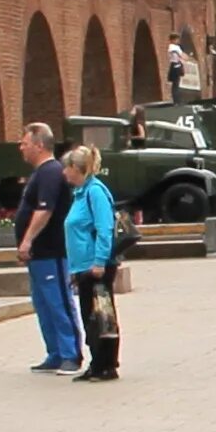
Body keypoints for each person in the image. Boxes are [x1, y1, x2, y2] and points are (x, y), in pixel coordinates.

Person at [16, 123, 81, 375]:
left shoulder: (51, 173)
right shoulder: (39, 173)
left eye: (25, 143)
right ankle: (54, 352)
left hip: (52, 250)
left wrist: (27, 239)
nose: (21, 147)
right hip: (39, 255)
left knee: (58, 301)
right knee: (43, 303)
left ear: (39, 144)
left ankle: (71, 353)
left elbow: (45, 209)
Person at [61, 145, 122, 382]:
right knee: (90, 317)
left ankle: (107, 364)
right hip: (82, 267)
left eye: (66, 168)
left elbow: (104, 228)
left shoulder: (95, 192)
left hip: (96, 267)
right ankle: (97, 361)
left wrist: (99, 262)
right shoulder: (79, 194)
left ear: (76, 168)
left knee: (102, 315)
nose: (64, 173)